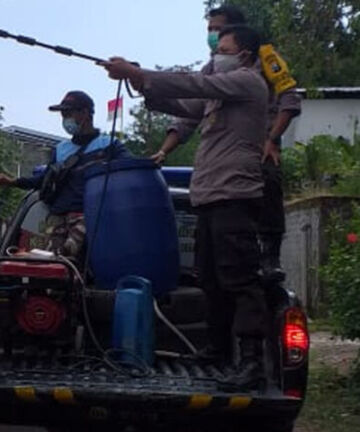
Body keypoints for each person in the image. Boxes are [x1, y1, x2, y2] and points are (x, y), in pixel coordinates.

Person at [103, 25, 268, 389]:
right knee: (210, 279)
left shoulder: (247, 83)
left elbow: (195, 85)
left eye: (222, 49)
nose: (215, 57)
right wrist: (139, 79)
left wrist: (137, 73)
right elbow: (179, 104)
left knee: (239, 280)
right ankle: (218, 351)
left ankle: (253, 362)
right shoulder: (218, 97)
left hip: (234, 197)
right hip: (210, 197)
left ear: (245, 56)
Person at [151, 5, 301, 281]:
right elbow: (191, 111)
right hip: (223, 150)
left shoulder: (263, 58)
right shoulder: (213, 67)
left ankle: (270, 254)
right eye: (209, 30)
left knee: (268, 175)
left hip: (258, 139)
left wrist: (271, 139)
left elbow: (289, 100)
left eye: (217, 29)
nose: (212, 36)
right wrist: (164, 150)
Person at [0, 91, 129, 260]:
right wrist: (12, 182)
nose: (64, 119)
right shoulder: (61, 150)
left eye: (68, 113)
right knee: (51, 261)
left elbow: (132, 171)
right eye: (63, 115)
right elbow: (44, 181)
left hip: (89, 215)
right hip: (57, 217)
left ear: (85, 113)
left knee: (66, 255)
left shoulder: (109, 145)